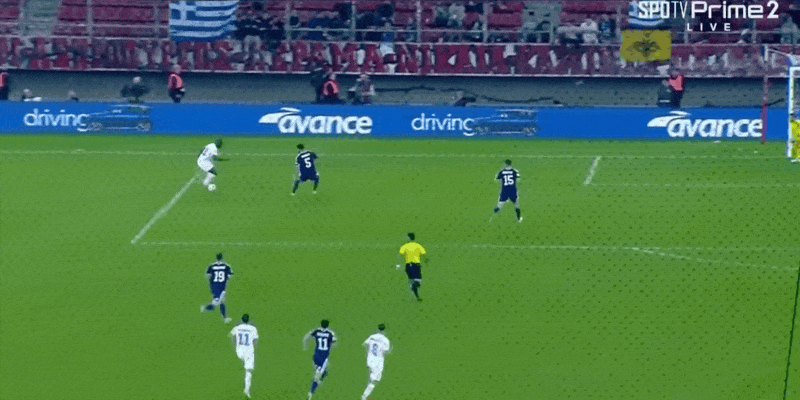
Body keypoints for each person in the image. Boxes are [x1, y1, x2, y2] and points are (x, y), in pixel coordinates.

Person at [302, 319, 338, 400]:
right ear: (328, 325)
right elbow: (334, 340)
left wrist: (305, 346)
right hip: (323, 358)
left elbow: (307, 336)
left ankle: (321, 377)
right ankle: (310, 394)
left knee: (325, 369)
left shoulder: (317, 331)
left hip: (316, 356)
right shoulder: (330, 333)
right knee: (317, 376)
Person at [229, 314, 259, 398]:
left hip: (239, 351)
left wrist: (234, 345)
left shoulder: (237, 328)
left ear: (241, 320)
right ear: (249, 320)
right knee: (248, 371)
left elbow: (230, 335)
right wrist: (252, 346)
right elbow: (256, 339)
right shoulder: (253, 328)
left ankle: (242, 365)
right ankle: (247, 390)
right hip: (248, 352)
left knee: (243, 363)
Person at [361, 324, 392, 400]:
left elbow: (364, 344)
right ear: (384, 330)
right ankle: (364, 397)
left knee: (371, 376)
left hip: (370, 359)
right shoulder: (385, 340)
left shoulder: (372, 336)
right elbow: (387, 351)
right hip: (378, 361)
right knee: (374, 381)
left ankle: (365, 395)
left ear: (377, 329)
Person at [201, 252, 233, 323]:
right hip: (222, 286)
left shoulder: (211, 266)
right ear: (222, 258)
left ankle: (206, 308)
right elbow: (229, 275)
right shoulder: (226, 266)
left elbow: (208, 275)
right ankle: (224, 318)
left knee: (219, 301)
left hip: (214, 286)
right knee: (218, 302)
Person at [396, 232, 426, 301]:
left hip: (409, 266)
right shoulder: (418, 246)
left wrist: (398, 265)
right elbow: (424, 254)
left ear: (409, 238)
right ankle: (416, 296)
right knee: (417, 280)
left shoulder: (405, 246)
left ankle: (415, 295)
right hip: (417, 265)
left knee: (412, 281)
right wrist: (426, 262)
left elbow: (398, 256)